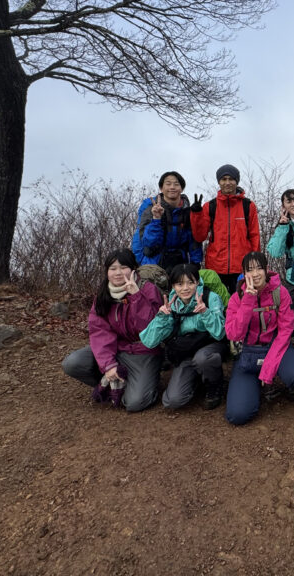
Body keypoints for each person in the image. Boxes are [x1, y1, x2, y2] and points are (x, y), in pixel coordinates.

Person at [61, 249, 163, 413]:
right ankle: (114, 381)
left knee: (135, 403)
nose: (117, 273)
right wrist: (108, 365)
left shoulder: (148, 289)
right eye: (112, 268)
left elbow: (151, 328)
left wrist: (136, 296)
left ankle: (132, 384)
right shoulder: (104, 294)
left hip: (143, 351)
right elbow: (99, 331)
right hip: (117, 349)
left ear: (133, 269)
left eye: (123, 267)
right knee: (72, 363)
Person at [224, 251, 294, 425]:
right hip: (248, 352)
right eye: (250, 269)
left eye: (259, 268)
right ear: (244, 273)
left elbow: (286, 331)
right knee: (237, 414)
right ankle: (253, 384)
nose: (255, 273)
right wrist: (248, 300)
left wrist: (267, 370)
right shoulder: (237, 298)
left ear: (266, 269)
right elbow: (234, 334)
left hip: (275, 347)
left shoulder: (280, 293)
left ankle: (269, 378)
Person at [139, 263, 228, 410]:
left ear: (197, 282)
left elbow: (220, 333)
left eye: (190, 282)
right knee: (172, 401)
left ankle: (214, 385)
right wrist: (162, 317)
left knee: (203, 359)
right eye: (180, 284)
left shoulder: (210, 298)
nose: (185, 288)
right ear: (173, 286)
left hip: (210, 346)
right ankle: (197, 379)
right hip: (186, 351)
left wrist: (205, 313)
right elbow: (149, 341)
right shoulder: (171, 305)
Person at [190, 164, 261, 294]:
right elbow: (200, 236)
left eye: (231, 179)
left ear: (236, 181)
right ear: (219, 182)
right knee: (217, 302)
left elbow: (254, 235)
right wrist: (196, 214)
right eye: (223, 179)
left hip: (242, 266)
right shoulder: (210, 206)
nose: (227, 182)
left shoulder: (248, 205)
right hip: (215, 266)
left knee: (242, 302)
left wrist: (256, 263)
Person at [266, 189, 294, 350]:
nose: (293, 204)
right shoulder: (284, 225)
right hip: (293, 277)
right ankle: (288, 349)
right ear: (283, 206)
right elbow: (274, 252)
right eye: (289, 201)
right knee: (290, 314)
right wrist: (283, 226)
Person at [131, 171, 203, 270]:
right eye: (168, 184)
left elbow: (193, 241)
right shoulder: (150, 209)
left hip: (180, 264)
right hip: (154, 263)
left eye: (176, 184)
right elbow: (149, 243)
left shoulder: (187, 211)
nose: (172, 187)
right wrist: (156, 219)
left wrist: (196, 264)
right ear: (161, 188)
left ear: (181, 189)